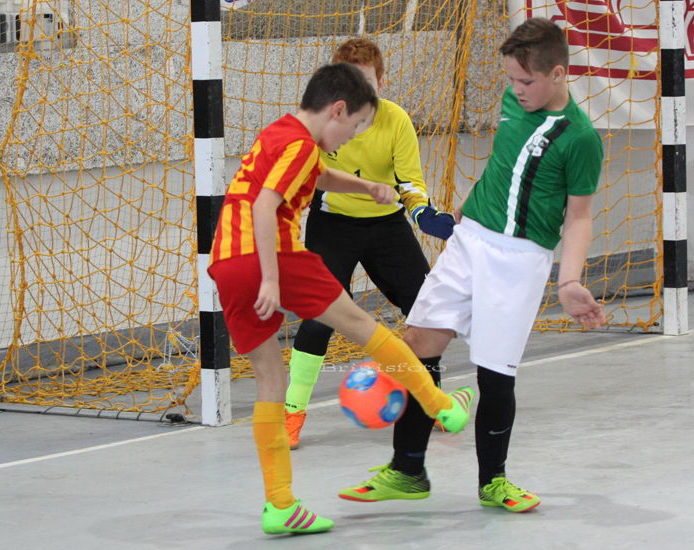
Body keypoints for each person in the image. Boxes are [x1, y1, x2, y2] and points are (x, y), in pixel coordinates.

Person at [338, 18, 606, 512]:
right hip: (469, 241)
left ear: (559, 73)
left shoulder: (581, 138)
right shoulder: (513, 102)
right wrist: (464, 214)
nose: (517, 89)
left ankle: (493, 482)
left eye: (526, 81)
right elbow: (503, 163)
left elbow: (580, 216)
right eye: (511, 79)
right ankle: (408, 470)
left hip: (519, 259)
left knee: (494, 372)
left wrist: (569, 279)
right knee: (417, 342)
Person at [207, 63, 472, 535]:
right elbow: (266, 205)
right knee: (364, 327)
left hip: (227, 261)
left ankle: (280, 506)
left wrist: (366, 186)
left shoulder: (282, 133)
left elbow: (317, 177)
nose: (354, 136)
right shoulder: (300, 145)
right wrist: (271, 279)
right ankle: (437, 403)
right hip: (273, 255)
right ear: (338, 110)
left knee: (271, 378)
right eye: (355, 126)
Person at [284, 38, 457, 450]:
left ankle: (430, 402)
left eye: (367, 82)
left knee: (425, 310)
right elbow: (306, 175)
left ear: (382, 81)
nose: (359, 92)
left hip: (386, 227)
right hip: (332, 226)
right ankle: (291, 412)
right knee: (319, 318)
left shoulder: (396, 120)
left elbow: (409, 181)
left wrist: (423, 213)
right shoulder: (325, 122)